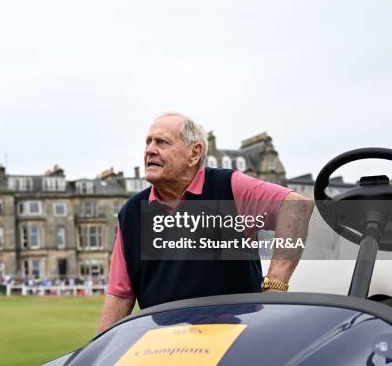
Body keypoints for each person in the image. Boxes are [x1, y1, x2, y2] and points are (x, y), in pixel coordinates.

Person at [98, 112, 313, 332]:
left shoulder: (228, 187)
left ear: (195, 153)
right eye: (148, 142)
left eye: (162, 142)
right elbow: (120, 294)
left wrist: (275, 286)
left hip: (235, 342)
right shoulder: (132, 212)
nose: (150, 150)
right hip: (165, 347)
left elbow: (296, 206)